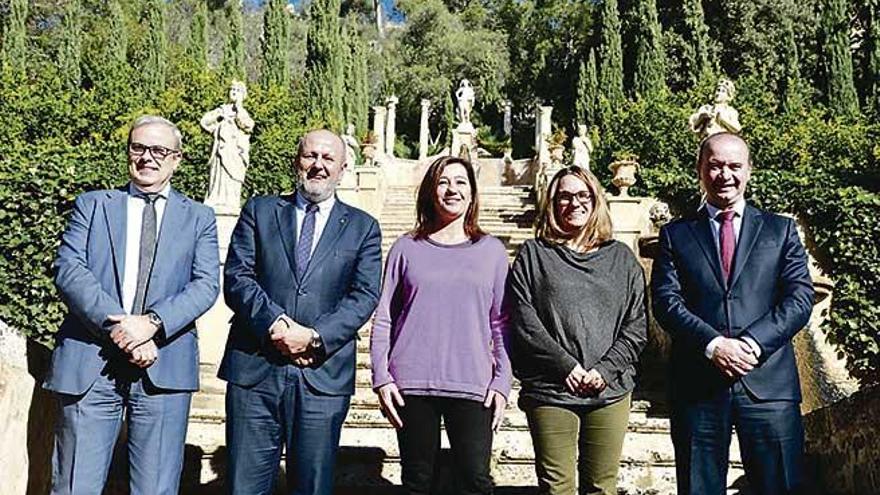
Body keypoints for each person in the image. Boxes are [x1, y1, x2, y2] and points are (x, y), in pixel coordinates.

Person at [44, 115, 220, 494]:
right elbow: (70, 271)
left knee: (155, 489)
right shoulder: (93, 205)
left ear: (177, 159)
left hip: (164, 365)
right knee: (75, 485)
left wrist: (152, 324)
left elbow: (206, 284)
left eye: (159, 150)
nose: (147, 158)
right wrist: (121, 329)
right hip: (90, 364)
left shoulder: (199, 218)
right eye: (138, 147)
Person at [219, 128, 382, 495]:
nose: (318, 166)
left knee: (312, 487)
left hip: (321, 376)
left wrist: (312, 336)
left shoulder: (362, 228)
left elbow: (364, 295)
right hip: (255, 371)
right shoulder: (260, 211)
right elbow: (237, 277)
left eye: (328, 159)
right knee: (243, 486)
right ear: (297, 161)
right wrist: (276, 324)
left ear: (343, 169)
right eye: (311, 156)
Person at [651, 132, 814, 495]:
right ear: (700, 170)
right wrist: (714, 345)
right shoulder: (676, 235)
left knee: (781, 486)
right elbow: (665, 300)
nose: (725, 174)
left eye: (734, 166)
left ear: (749, 170)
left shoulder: (780, 230)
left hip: (769, 385)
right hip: (698, 384)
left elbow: (800, 297)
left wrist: (753, 344)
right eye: (715, 165)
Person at [370, 156, 512, 495]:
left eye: (461, 182)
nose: (452, 189)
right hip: (412, 385)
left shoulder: (491, 251)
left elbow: (502, 322)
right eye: (443, 181)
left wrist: (502, 380)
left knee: (475, 481)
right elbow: (384, 317)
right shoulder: (406, 248)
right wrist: (381, 377)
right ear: (430, 191)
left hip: (473, 385)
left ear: (472, 193)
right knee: (418, 482)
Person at [508, 166, 648, 495]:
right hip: (551, 390)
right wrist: (566, 366)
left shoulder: (622, 259)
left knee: (602, 487)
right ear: (552, 203)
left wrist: (605, 370)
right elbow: (524, 321)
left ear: (596, 200)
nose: (574, 203)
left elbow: (636, 325)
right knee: (557, 488)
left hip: (609, 392)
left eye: (583, 195)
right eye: (564, 197)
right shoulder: (534, 256)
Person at [201, 80, 255, 211]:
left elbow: (248, 125)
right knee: (218, 176)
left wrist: (239, 108)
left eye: (237, 91)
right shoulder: (222, 109)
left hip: (235, 153)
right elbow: (204, 121)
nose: (234, 93)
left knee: (233, 177)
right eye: (232, 90)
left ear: (242, 95)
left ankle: (230, 202)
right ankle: (215, 199)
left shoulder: (242, 112)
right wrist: (218, 117)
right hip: (220, 150)